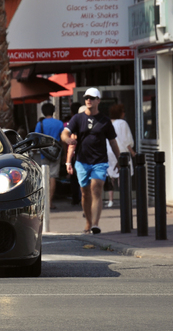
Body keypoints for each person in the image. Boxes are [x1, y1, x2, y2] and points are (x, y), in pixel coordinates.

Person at [61, 88, 120, 235]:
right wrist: (67, 139)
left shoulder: (105, 121)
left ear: (98, 100)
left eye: (92, 98)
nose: (89, 100)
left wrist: (120, 160)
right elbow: (65, 132)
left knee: (96, 188)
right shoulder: (78, 118)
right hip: (82, 161)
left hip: (99, 161)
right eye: (86, 97)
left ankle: (95, 224)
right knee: (85, 192)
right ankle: (88, 221)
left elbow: (113, 142)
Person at [34, 102, 65, 210]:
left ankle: (44, 202)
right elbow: (63, 139)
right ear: (54, 111)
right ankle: (50, 202)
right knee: (53, 177)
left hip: (44, 153)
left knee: (44, 177)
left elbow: (36, 138)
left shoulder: (40, 124)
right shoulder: (59, 123)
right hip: (55, 153)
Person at [105, 104, 136, 208]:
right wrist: (132, 152)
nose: (124, 113)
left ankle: (110, 200)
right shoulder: (122, 123)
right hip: (121, 151)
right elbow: (126, 139)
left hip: (109, 151)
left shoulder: (108, 123)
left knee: (111, 176)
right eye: (123, 111)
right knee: (122, 174)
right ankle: (124, 198)